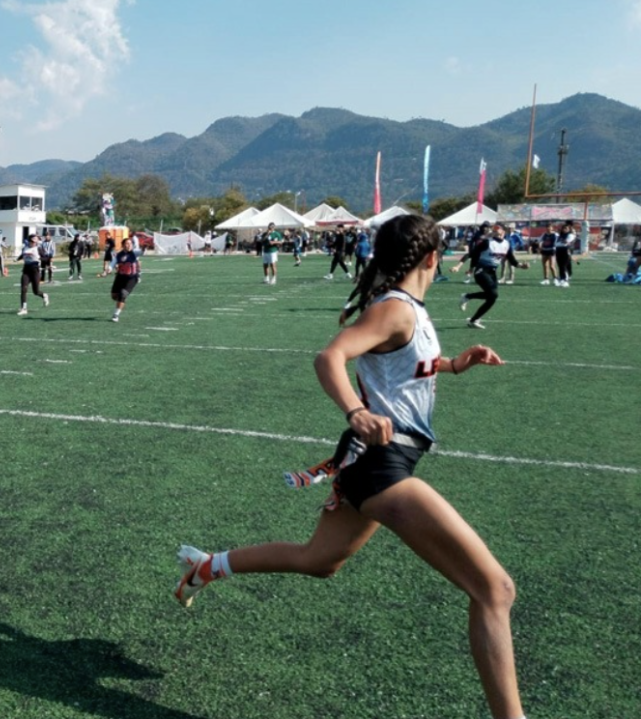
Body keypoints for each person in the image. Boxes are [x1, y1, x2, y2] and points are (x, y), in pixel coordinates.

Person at [174, 214, 527, 719]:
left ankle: (208, 566)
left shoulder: (411, 311)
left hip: (382, 461)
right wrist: (356, 411)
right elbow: (330, 357)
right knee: (495, 589)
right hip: (383, 465)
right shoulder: (396, 310)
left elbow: (403, 368)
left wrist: (453, 365)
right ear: (431, 257)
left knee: (319, 560)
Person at [453, 222, 528, 329]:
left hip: (492, 272)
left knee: (492, 297)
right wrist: (458, 266)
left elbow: (513, 261)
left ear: (503, 230)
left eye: (497, 228)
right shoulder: (487, 242)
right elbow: (471, 253)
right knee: (493, 293)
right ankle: (467, 297)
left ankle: (473, 319)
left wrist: (522, 266)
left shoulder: (506, 244)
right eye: (494, 228)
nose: (495, 230)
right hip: (481, 270)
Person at [109, 236, 142, 322]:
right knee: (114, 296)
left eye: (130, 243)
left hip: (131, 277)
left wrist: (139, 274)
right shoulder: (119, 255)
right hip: (120, 276)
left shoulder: (135, 253)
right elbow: (113, 263)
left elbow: (139, 262)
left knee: (122, 294)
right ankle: (121, 300)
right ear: (123, 245)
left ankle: (116, 314)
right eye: (127, 243)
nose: (129, 245)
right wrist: (108, 269)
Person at [15, 234, 49, 316]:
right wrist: (16, 259)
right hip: (26, 271)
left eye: (35, 241)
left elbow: (46, 258)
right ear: (29, 241)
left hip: (35, 271)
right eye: (33, 241)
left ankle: (44, 295)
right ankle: (24, 308)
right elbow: (23, 255)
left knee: (36, 291)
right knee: (23, 289)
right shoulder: (25, 248)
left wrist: (40, 258)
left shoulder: (38, 248)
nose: (34, 243)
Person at [554, 222, 577, 287]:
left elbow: (566, 242)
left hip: (565, 250)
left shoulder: (570, 235)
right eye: (563, 228)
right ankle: (562, 278)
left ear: (569, 229)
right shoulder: (560, 235)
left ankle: (566, 280)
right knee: (560, 265)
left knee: (564, 265)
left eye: (566, 228)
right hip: (558, 250)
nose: (564, 229)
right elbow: (556, 243)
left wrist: (561, 241)